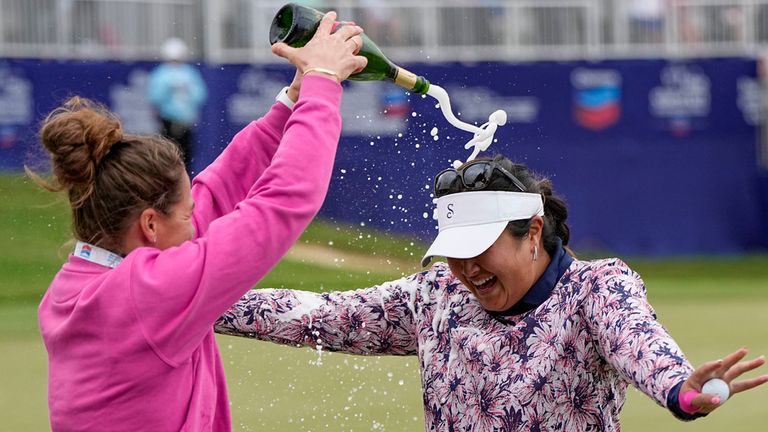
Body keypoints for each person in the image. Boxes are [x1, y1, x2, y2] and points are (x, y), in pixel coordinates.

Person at [216, 155, 768, 430]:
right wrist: (195, 297)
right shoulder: (436, 293)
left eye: (479, 247)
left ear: (531, 232)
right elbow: (319, 315)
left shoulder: (596, 288)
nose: (464, 267)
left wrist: (679, 391)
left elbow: (639, 343)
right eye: (453, 249)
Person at [31, 12, 367, 431]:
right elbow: (282, 203)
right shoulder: (146, 295)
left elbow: (216, 194)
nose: (197, 224)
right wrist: (322, 85)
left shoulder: (88, 279)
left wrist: (291, 103)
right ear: (151, 225)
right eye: (186, 215)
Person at [147, 37, 208, 173]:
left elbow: (155, 97)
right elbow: (199, 95)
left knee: (173, 155)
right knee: (180, 156)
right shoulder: (188, 73)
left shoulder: (162, 74)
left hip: (176, 122)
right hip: (175, 121)